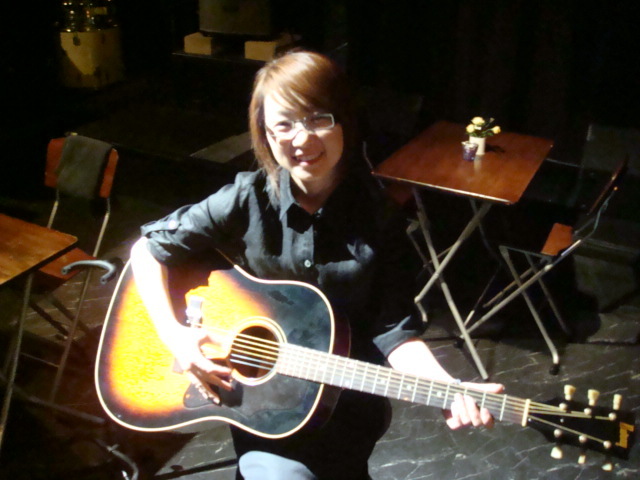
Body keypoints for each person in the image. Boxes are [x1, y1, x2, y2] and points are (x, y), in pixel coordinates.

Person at [129, 50, 503, 480]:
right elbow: (147, 249)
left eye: (318, 119)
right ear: (266, 134)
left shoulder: (379, 216)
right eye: (284, 124)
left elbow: (394, 330)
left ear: (344, 121)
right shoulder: (247, 198)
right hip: (262, 409)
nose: (302, 139)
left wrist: (447, 387)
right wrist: (175, 336)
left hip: (345, 408)